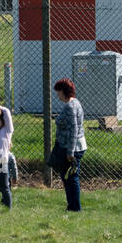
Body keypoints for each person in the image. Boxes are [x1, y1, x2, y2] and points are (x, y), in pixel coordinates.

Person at [52, 77, 88, 212]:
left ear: (64, 91)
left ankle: (74, 207)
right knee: (67, 176)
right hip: (74, 145)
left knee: (71, 178)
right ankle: (71, 206)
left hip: (73, 147)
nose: (57, 95)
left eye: (58, 91)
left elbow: (74, 130)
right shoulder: (75, 103)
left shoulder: (70, 107)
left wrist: (70, 152)